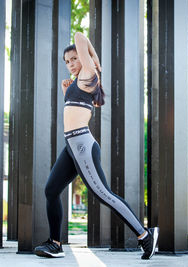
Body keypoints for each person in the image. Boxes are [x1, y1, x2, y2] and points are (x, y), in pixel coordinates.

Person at [34, 32, 159, 260]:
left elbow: (79, 36)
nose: (71, 64)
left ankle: (145, 235)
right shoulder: (77, 82)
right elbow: (76, 109)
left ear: (84, 60)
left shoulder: (88, 73)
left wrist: (94, 58)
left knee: (104, 194)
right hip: (71, 145)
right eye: (67, 61)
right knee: (51, 190)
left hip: (82, 144)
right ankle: (54, 243)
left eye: (74, 58)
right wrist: (66, 92)